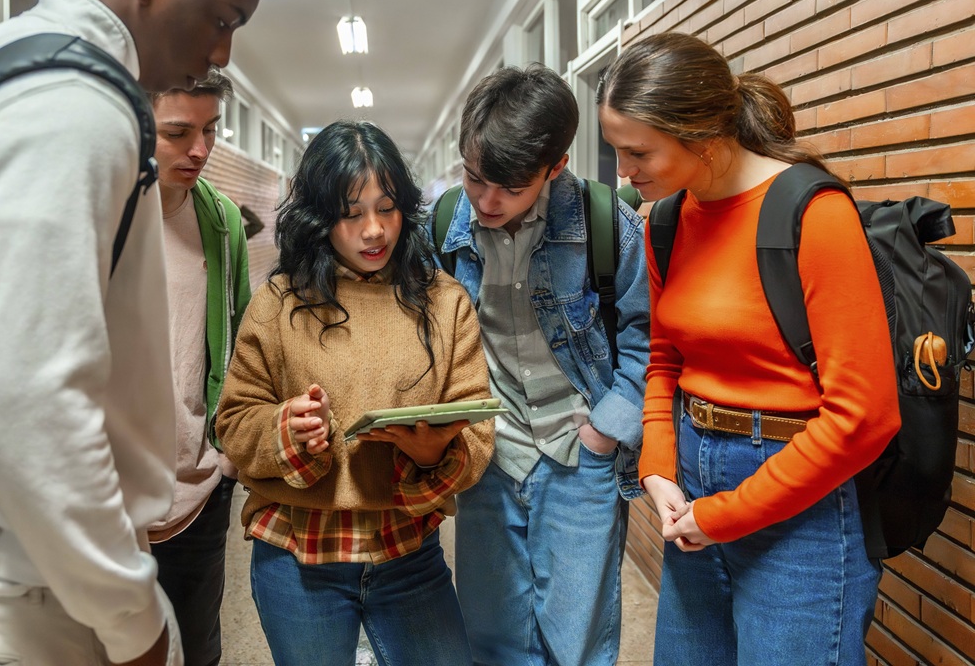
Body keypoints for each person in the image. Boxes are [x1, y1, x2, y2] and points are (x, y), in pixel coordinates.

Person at [0, 0, 273, 664]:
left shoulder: (15, 61)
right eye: (219, 18)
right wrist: (130, 617)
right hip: (42, 585)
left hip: (41, 569)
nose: (220, 51)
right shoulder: (71, 106)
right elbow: (32, 403)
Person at [596, 31, 900, 665]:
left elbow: (863, 416)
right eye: (617, 152)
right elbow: (664, 358)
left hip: (799, 500)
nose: (622, 173)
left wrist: (727, 514)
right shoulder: (666, 222)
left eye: (637, 153)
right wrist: (657, 464)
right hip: (692, 478)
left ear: (702, 136)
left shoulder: (813, 212)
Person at [215, 120, 494, 666]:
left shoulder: (444, 301)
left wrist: (433, 453)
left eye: (387, 208)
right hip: (298, 556)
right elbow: (234, 420)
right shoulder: (277, 302)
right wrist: (285, 431)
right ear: (321, 218)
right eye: (351, 213)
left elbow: (477, 428)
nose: (374, 231)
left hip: (409, 552)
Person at [437, 64, 650, 666]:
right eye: (475, 178)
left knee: (576, 642)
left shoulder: (610, 226)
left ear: (555, 168)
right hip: (487, 452)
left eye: (508, 187)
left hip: (580, 454)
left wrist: (606, 430)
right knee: (493, 636)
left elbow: (648, 337)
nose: (486, 200)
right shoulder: (448, 228)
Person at [146, 71, 251, 666]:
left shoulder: (222, 223)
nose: (201, 150)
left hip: (196, 492)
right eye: (179, 132)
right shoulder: (96, 215)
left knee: (196, 650)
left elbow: (234, 343)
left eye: (211, 130)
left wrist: (225, 461)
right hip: (103, 500)